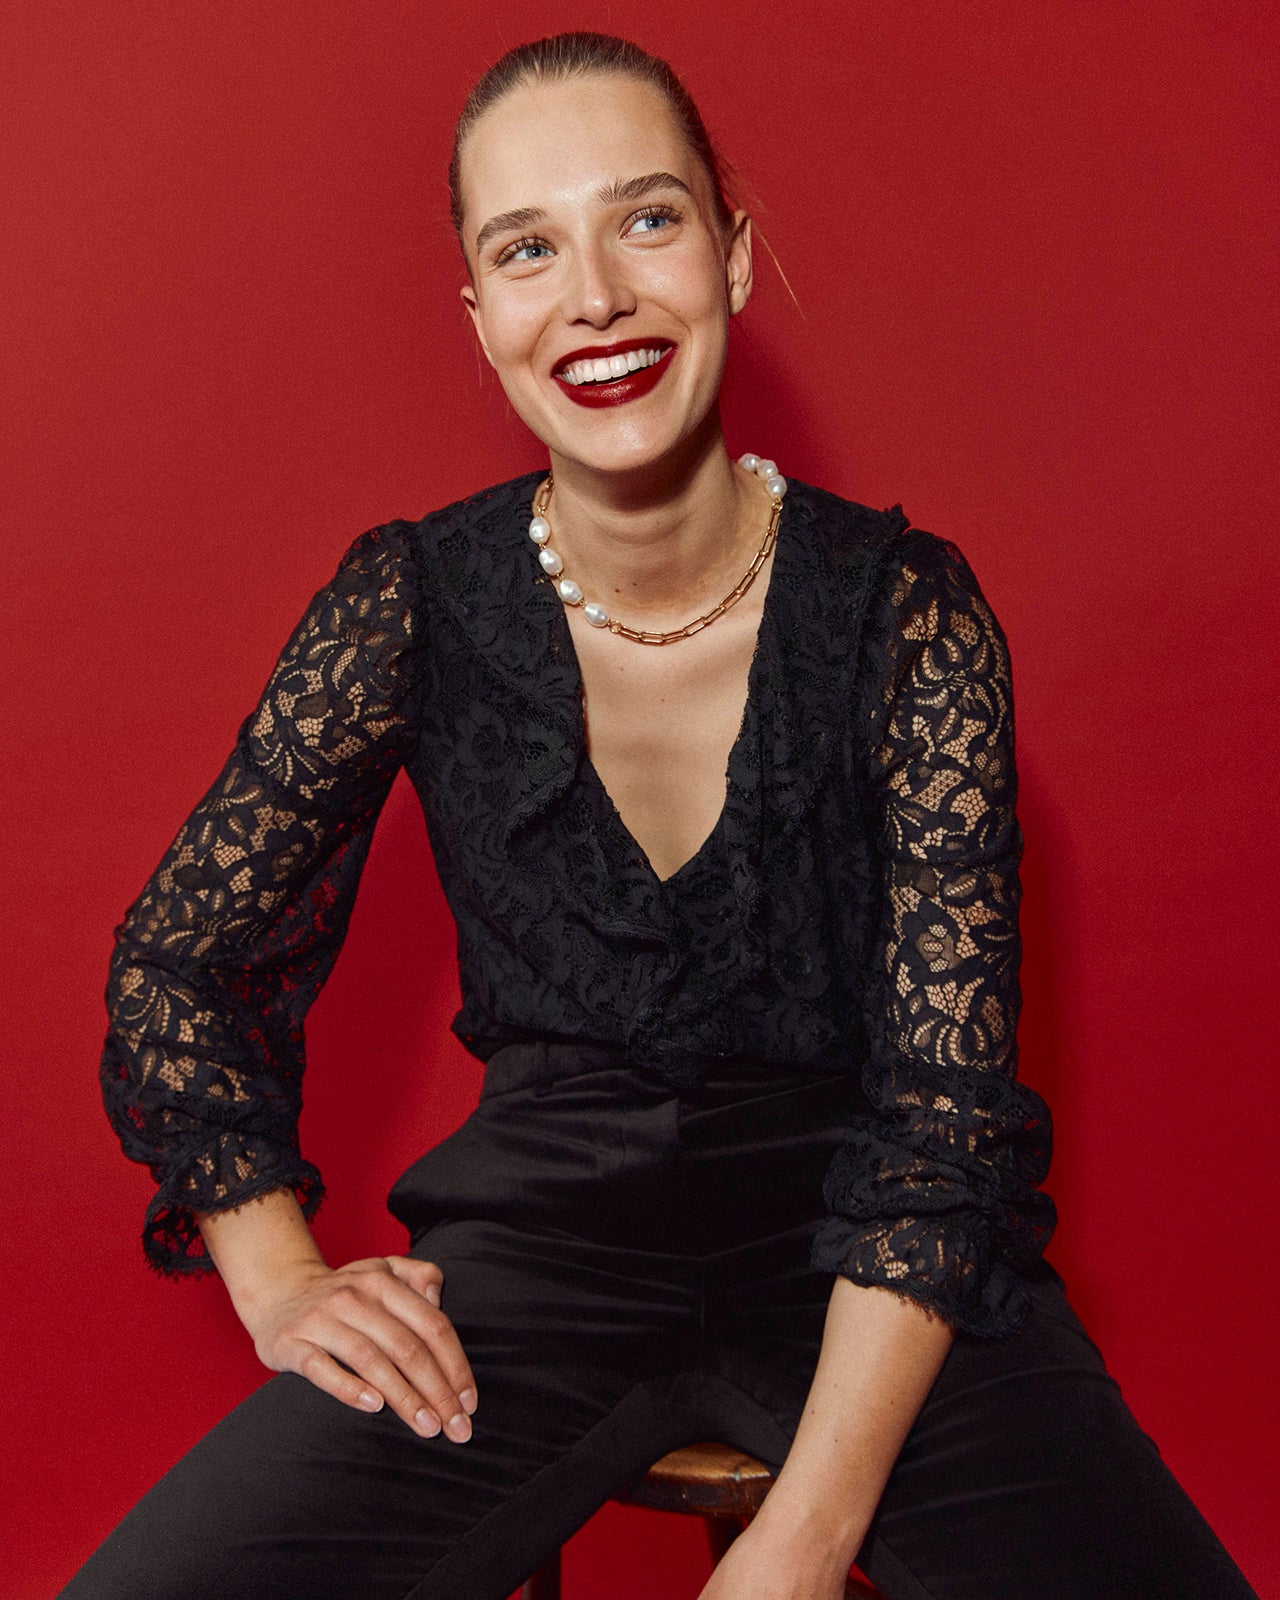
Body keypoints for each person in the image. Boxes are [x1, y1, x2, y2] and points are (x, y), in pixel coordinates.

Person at [62, 31, 1255, 1600]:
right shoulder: (411, 602)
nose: (595, 298)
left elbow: (948, 1123)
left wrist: (802, 1541)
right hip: (537, 1262)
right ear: (481, 314)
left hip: (886, 1260)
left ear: (734, 258)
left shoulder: (909, 614)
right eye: (527, 248)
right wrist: (278, 1273)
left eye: (646, 219)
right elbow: (178, 963)